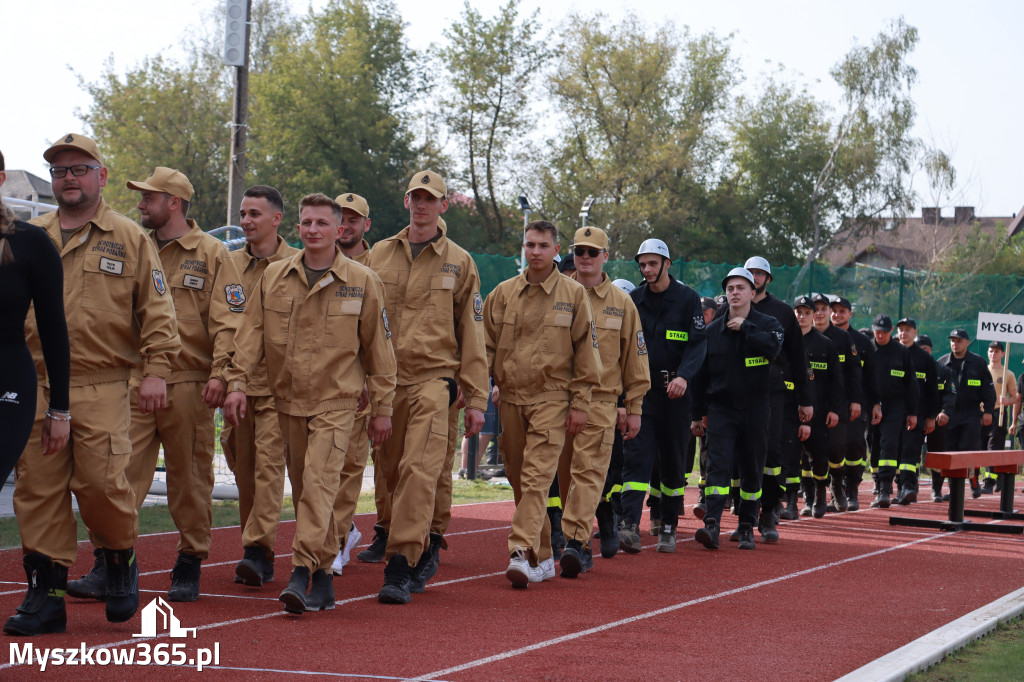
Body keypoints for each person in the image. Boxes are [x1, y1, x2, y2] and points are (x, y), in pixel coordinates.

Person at [6, 134, 180, 635]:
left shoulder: (129, 237)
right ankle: (47, 596)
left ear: (101, 176)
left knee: (102, 485)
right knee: (37, 492)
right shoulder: (25, 236)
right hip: (35, 380)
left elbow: (158, 312)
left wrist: (157, 371)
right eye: (59, 171)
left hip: (102, 382)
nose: (68, 179)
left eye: (79, 169)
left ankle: (119, 559)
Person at [223, 193, 396, 614]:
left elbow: (380, 350)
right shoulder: (275, 277)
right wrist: (236, 383)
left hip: (338, 404)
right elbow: (249, 337)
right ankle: (323, 579)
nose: (313, 230)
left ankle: (300, 572)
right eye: (307, 223)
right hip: (288, 403)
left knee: (318, 486)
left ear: (339, 231)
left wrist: (383, 409)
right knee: (305, 491)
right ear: (297, 228)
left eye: (322, 223)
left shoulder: (362, 280)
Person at [103, 167, 242, 603]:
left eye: (149, 198)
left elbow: (230, 322)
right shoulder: (132, 246)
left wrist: (222, 374)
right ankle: (110, 563)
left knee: (190, 479)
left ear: (174, 203)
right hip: (134, 381)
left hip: (188, 384)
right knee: (118, 476)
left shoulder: (213, 254)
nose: (141, 205)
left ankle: (189, 562)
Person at [364, 171, 489, 604]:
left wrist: (475, 398)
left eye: (429, 198)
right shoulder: (378, 254)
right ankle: (425, 538)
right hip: (385, 382)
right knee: (392, 472)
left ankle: (401, 564)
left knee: (420, 469)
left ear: (443, 205)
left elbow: (472, 332)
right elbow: (359, 322)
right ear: (406, 201)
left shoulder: (459, 261)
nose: (421, 205)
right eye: (415, 197)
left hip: (435, 380)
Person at [483, 220, 601, 587]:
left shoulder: (573, 295)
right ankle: (544, 555)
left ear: (555, 250)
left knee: (536, 479)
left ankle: (519, 550)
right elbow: (483, 348)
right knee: (519, 479)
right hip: (512, 399)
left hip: (552, 399)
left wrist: (580, 403)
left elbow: (586, 354)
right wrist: (475, 393)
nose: (535, 251)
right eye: (530, 244)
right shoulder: (502, 293)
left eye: (543, 245)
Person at [556, 226, 649, 575]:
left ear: (605, 256)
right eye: (580, 251)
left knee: (589, 473)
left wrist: (634, 407)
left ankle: (576, 543)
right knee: (565, 477)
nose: (585, 257)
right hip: (557, 401)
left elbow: (635, 360)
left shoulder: (622, 302)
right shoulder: (557, 294)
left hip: (600, 401)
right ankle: (577, 537)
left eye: (593, 252)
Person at [226, 185, 299, 587]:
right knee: (244, 468)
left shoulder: (298, 264)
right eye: (243, 213)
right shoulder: (228, 264)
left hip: (279, 386)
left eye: (255, 213)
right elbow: (221, 325)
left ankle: (258, 549)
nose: (246, 221)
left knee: (270, 465)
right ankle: (256, 547)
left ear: (276, 219)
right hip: (237, 382)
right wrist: (224, 376)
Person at [618, 239, 705, 553]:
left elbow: (698, 344)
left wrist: (684, 376)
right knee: (636, 459)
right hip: (641, 394)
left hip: (675, 396)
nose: (647, 269)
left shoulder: (688, 299)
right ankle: (628, 524)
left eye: (653, 263)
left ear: (667, 264)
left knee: (672, 461)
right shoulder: (634, 300)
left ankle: (668, 523)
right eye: (643, 264)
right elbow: (623, 347)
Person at [692, 268, 783, 550]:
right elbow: (701, 376)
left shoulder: (768, 324)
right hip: (722, 409)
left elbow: (773, 349)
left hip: (755, 408)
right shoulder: (711, 332)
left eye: (740, 287)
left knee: (752, 468)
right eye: (730, 288)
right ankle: (712, 524)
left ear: (752, 293)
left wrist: (746, 328)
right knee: (717, 467)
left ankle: (746, 526)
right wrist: (697, 414)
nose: (734, 292)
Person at [0, 149, 70, 494]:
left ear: (1, 180)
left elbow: (54, 331)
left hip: (8, 382)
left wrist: (60, 410)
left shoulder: (32, 243)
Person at [740, 258, 812, 540]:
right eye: (751, 273)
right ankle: (745, 516)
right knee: (743, 455)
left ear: (768, 279)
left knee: (771, 454)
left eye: (760, 274)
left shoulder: (782, 312)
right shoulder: (733, 305)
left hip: (774, 391)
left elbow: (797, 356)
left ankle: (770, 511)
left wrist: (805, 400)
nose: (755, 277)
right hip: (741, 390)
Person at [810, 293, 862, 512]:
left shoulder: (841, 338)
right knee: (811, 453)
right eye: (817, 309)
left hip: (836, 403)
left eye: (824, 309)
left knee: (836, 447)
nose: (821, 313)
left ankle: (837, 487)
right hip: (809, 404)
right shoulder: (802, 337)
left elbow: (853, 373)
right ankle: (817, 494)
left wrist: (855, 400)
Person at [797, 296, 844, 519]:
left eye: (808, 312)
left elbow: (837, 381)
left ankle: (819, 495)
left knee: (817, 456)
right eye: (799, 312)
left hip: (819, 410)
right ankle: (801, 498)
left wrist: (834, 409)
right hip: (789, 409)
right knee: (793, 457)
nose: (803, 316)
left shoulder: (826, 345)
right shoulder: (786, 341)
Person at [936, 329, 995, 499]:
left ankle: (974, 480)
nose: (955, 343)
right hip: (949, 414)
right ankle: (954, 488)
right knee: (950, 452)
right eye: (953, 340)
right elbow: (936, 391)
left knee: (969, 450)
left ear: (967, 343)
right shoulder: (942, 363)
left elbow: (988, 390)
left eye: (959, 340)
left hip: (971, 413)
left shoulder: (978, 363)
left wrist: (988, 411)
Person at [867, 314, 919, 508]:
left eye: (884, 332)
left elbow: (912, 385)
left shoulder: (901, 352)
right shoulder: (868, 349)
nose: (880, 335)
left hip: (895, 406)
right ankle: (878, 483)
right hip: (870, 405)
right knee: (873, 445)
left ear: (890, 331)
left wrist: (912, 412)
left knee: (889, 444)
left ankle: (885, 488)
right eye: (877, 332)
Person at [830, 296, 875, 509]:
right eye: (834, 311)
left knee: (856, 445)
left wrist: (872, 403)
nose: (837, 314)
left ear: (850, 314)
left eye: (842, 311)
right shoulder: (823, 337)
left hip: (856, 404)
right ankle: (832, 491)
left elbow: (870, 377)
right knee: (832, 448)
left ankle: (853, 489)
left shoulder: (864, 342)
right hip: (829, 403)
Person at [893, 318, 939, 504]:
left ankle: (909, 487)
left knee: (910, 451)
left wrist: (931, 417)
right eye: (901, 329)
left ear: (915, 332)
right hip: (894, 412)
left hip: (917, 413)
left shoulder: (925, 359)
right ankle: (898, 489)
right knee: (894, 450)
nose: (904, 333)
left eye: (908, 330)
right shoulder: (891, 353)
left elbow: (933, 391)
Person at [982, 341, 1016, 493]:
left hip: (998, 412)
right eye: (991, 351)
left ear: (1003, 354)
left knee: (993, 447)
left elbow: (1015, 397)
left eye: (997, 351)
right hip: (981, 413)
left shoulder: (1008, 374)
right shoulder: (982, 370)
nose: (993, 354)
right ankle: (997, 475)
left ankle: (989, 481)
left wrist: (1007, 401)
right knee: (981, 447)